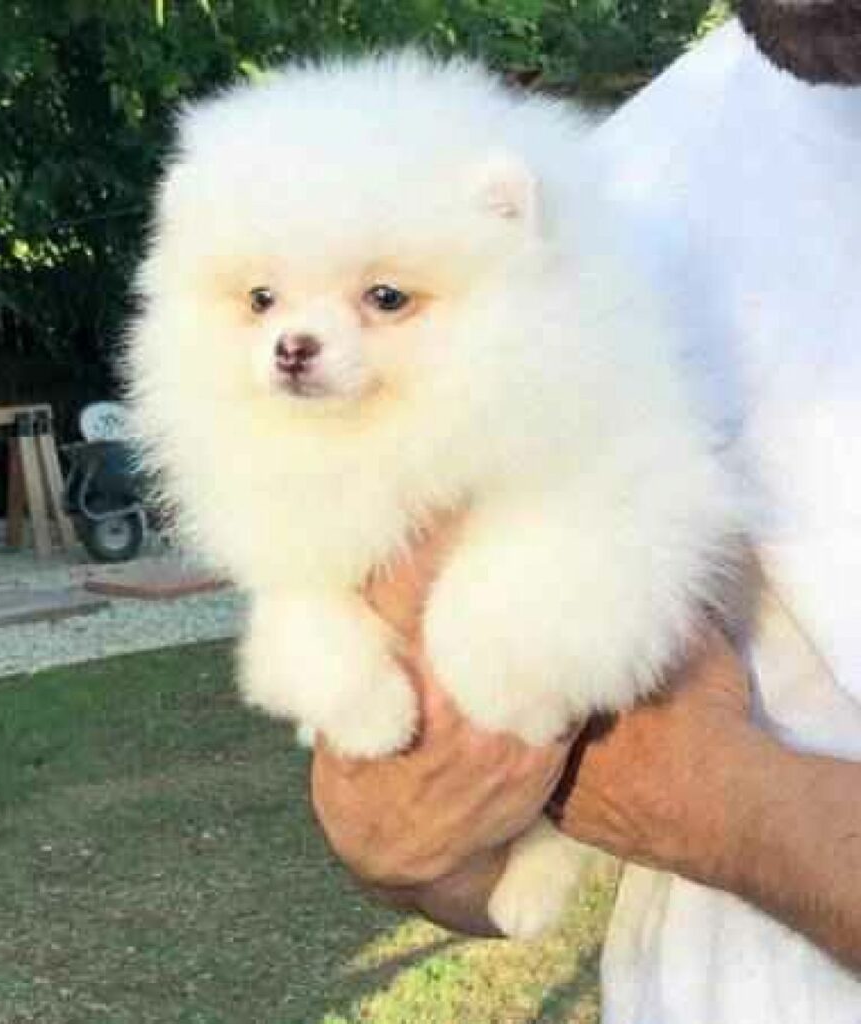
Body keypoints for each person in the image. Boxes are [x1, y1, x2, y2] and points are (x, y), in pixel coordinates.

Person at [312, 12, 861, 1024]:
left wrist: (714, 796)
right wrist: (406, 835)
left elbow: (652, 772)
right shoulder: (611, 182)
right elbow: (449, 799)